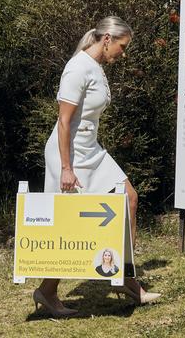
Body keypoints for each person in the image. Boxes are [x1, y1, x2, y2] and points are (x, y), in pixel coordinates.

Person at [32, 16, 161, 318]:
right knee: (68, 222)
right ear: (106, 40)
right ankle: (47, 292)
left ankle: (125, 279)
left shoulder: (96, 68)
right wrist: (66, 167)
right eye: (122, 46)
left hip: (91, 150)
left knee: (129, 197)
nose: (123, 53)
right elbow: (64, 122)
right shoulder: (77, 68)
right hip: (70, 154)